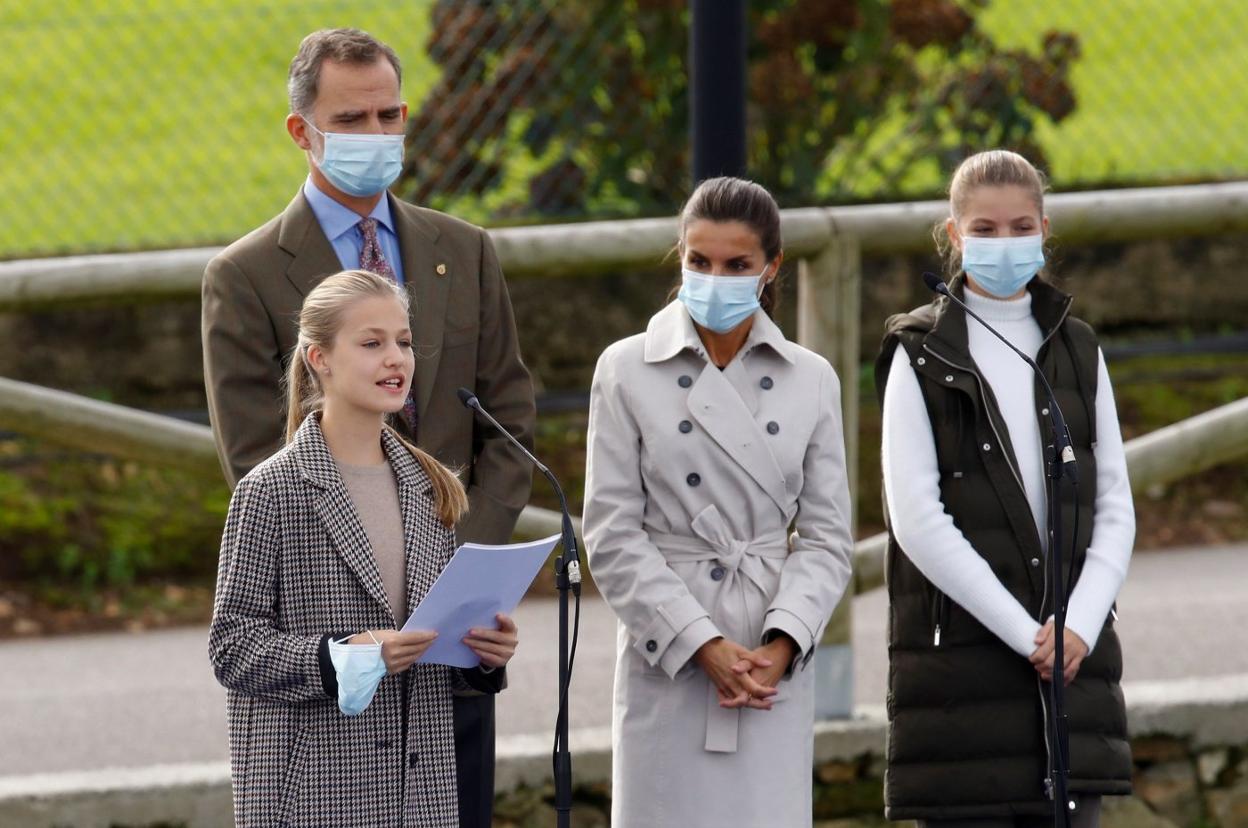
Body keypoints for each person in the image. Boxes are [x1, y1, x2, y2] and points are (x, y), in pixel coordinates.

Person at [200, 29, 535, 825]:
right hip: (328, 650)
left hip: (451, 641)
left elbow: (508, 418)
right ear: (302, 131)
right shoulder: (244, 277)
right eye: (353, 120)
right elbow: (256, 456)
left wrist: (457, 574)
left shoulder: (464, 249)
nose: (379, 136)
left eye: (391, 115)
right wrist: (361, 623)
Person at [582, 176, 854, 827]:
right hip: (669, 649)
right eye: (698, 261)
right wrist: (700, 643)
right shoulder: (623, 369)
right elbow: (612, 534)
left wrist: (783, 642)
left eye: (737, 265)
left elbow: (827, 537)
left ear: (771, 268)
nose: (714, 278)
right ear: (679, 256)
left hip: (768, 662)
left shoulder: (811, 379)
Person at [876, 150, 1135, 826]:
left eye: (1020, 226)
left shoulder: (1079, 347)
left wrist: (1077, 626)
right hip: (965, 671)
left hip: (1074, 675)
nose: (1004, 243)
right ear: (954, 235)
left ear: (1045, 230)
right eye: (984, 230)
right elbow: (917, 519)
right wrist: (1028, 636)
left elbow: (1114, 507)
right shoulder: (919, 352)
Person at [209, 270, 520, 826]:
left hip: (421, 797)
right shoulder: (270, 491)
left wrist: (480, 657)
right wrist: (343, 657)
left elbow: (426, 642)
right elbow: (233, 647)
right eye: (372, 343)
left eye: (403, 341)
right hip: (313, 794)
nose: (396, 358)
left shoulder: (430, 486)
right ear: (319, 359)